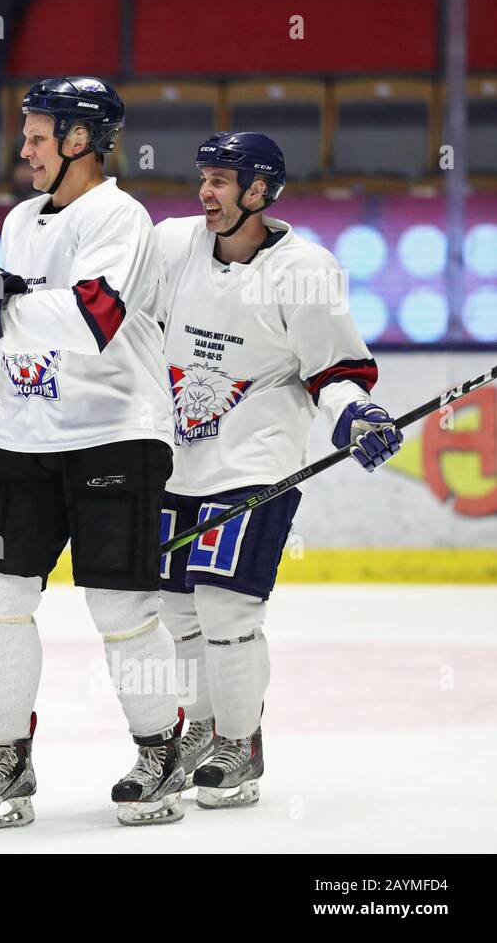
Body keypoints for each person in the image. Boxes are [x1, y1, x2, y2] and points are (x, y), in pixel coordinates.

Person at [0, 76, 183, 829]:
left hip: (116, 429)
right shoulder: (20, 220)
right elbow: (20, 328)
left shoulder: (120, 217)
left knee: (117, 602)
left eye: (39, 136)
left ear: (80, 140)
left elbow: (92, 319)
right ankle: (8, 757)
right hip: (29, 433)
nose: (26, 149)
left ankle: (158, 750)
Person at [154, 131, 402, 808]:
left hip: (255, 460)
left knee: (226, 606)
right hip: (175, 461)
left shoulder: (305, 267)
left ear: (261, 191)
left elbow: (336, 368)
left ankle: (241, 741)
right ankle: (201, 730)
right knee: (177, 609)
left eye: (222, 181)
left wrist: (357, 415)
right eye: (204, 177)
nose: (206, 192)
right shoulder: (174, 246)